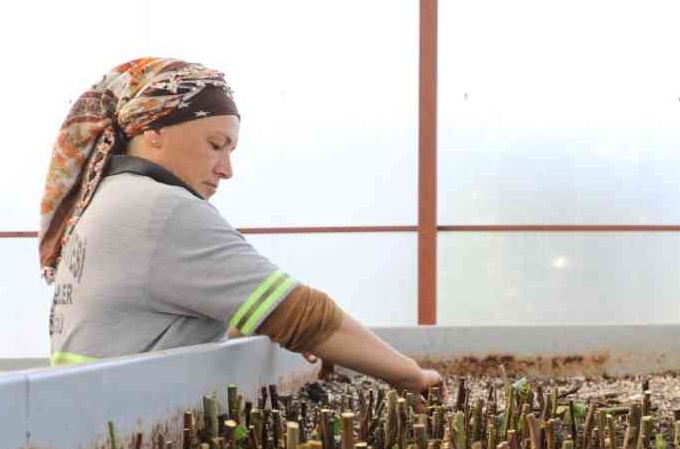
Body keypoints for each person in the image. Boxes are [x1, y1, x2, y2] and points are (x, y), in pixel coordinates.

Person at [39, 58, 441, 393]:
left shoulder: (109, 200)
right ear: (154, 132)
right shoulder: (160, 208)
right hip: (124, 419)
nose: (226, 170)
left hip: (92, 409)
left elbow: (144, 323)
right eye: (216, 144)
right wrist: (413, 375)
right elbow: (300, 314)